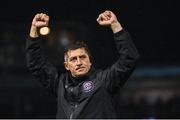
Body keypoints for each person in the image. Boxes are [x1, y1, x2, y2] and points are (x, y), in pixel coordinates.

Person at [26, 10, 140, 119]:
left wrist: (115, 25)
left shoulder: (104, 80)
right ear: (67, 66)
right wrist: (34, 29)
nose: (79, 62)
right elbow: (35, 63)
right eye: (73, 59)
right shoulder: (59, 84)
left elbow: (129, 58)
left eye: (82, 57)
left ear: (90, 61)